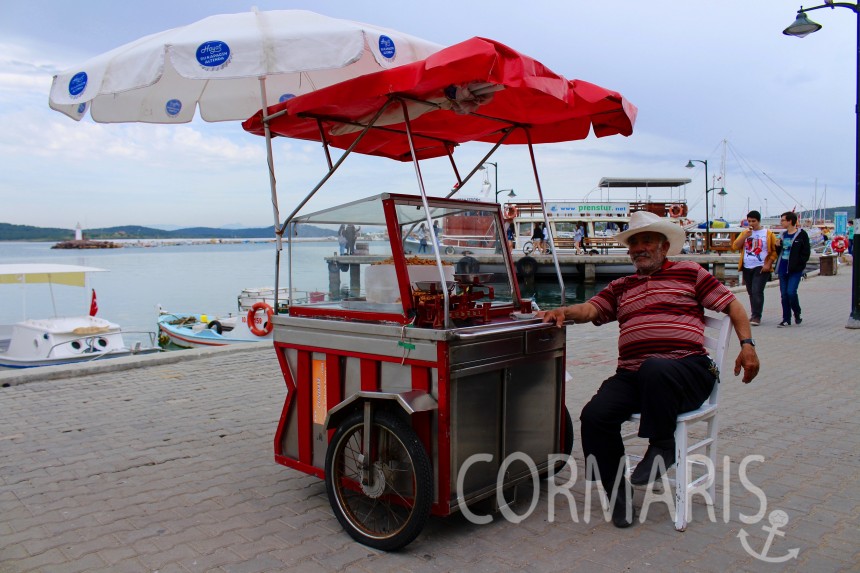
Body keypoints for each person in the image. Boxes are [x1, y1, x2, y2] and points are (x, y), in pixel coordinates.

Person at [538, 211, 759, 528]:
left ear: (664, 246)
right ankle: (618, 495)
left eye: (647, 241)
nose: (639, 248)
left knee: (656, 367)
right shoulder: (621, 286)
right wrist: (563, 310)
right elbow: (590, 309)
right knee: (595, 415)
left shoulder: (690, 273)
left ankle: (662, 446)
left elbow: (733, 305)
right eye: (634, 243)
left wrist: (748, 345)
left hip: (688, 372)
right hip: (634, 376)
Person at [732, 210, 777, 326]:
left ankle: (757, 316)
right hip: (747, 265)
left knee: (757, 290)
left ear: (759, 221)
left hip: (761, 265)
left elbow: (774, 251)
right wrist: (745, 236)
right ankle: (753, 313)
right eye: (749, 221)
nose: (751, 223)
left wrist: (768, 264)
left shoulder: (768, 234)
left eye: (754, 221)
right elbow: (735, 246)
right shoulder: (745, 233)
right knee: (751, 291)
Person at [775, 211, 811, 327]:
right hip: (783, 267)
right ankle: (786, 319)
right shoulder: (782, 235)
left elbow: (806, 252)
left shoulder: (801, 235)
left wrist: (800, 264)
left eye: (783, 220)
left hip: (795, 269)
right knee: (784, 294)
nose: (781, 222)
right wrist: (777, 246)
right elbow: (779, 253)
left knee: (791, 292)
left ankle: (797, 311)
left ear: (790, 221)